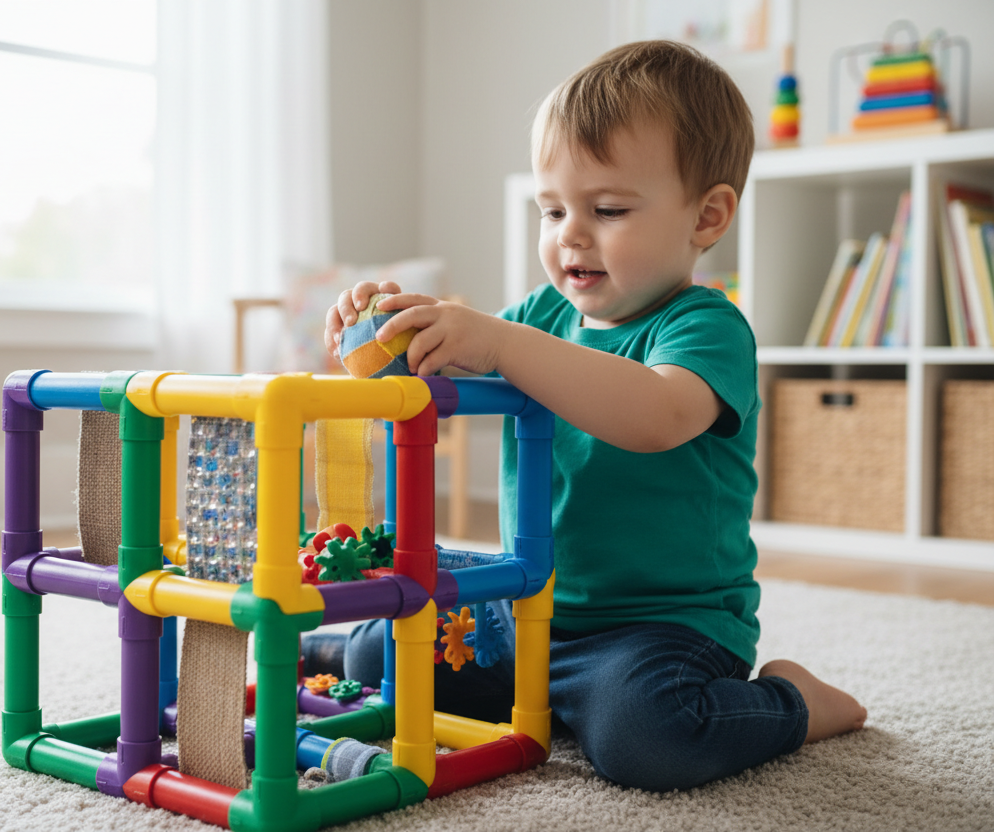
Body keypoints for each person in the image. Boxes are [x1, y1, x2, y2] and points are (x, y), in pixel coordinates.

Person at [311, 40, 866, 792]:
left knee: (648, 740)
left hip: (661, 631)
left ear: (706, 217)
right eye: (552, 209)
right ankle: (346, 651)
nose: (570, 233)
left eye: (606, 210)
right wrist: (392, 330)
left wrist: (503, 341)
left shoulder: (704, 327)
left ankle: (794, 701)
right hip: (527, 609)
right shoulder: (542, 315)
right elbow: (451, 361)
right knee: (382, 661)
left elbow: (657, 415)